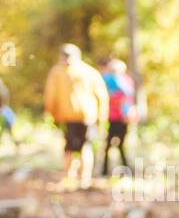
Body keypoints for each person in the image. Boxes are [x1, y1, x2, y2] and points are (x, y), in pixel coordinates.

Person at [43, 44, 109, 190]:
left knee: (69, 147)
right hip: (88, 115)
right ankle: (84, 178)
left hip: (68, 115)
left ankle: (68, 176)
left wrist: (51, 113)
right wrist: (102, 116)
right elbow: (102, 96)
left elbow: (50, 95)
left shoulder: (57, 72)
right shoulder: (90, 71)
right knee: (86, 146)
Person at [99, 59, 137, 176]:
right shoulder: (106, 80)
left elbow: (129, 100)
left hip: (122, 118)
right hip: (111, 117)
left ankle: (125, 169)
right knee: (109, 145)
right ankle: (105, 171)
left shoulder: (126, 81)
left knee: (120, 145)